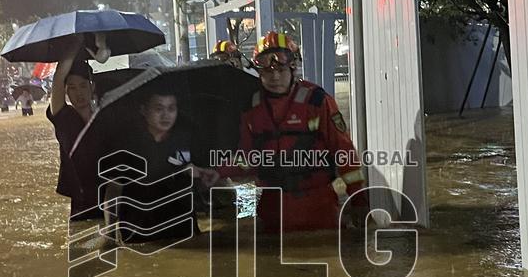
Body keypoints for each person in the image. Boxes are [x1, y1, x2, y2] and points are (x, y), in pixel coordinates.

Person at [219, 30, 368, 233]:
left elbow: (343, 151)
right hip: (272, 210)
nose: (275, 77)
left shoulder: (316, 101)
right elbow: (246, 159)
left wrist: (358, 198)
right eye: (268, 72)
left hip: (319, 207)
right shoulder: (251, 109)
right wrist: (216, 171)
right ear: (259, 72)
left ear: (293, 68)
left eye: (281, 70)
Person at [107, 92, 219, 244]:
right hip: (139, 232)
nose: (166, 115)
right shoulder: (128, 143)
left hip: (181, 229)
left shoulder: (188, 137)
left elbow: (201, 179)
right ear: (144, 110)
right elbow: (114, 189)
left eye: (171, 108)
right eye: (159, 109)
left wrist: (204, 180)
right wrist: (110, 233)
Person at [47, 52, 101, 222]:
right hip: (81, 202)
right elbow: (57, 80)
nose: (79, 93)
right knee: (83, 246)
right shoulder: (65, 118)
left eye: (83, 86)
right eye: (72, 87)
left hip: (109, 196)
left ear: (92, 87)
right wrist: (72, 48)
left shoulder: (104, 116)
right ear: (66, 91)